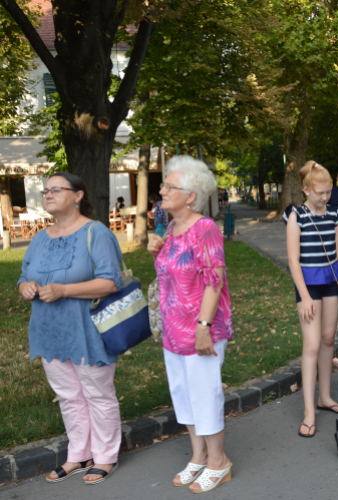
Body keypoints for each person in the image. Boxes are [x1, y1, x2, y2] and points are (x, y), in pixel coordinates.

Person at [18, 172, 123, 485]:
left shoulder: (96, 233)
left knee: (97, 394)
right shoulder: (39, 237)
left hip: (87, 329)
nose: (48, 194)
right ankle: (79, 453)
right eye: (45, 190)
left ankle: (106, 456)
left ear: (78, 196)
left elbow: (111, 281)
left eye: (56, 189)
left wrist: (63, 289)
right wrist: (25, 287)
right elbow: (24, 276)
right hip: (48, 331)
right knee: (68, 395)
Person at [147, 156, 234, 493]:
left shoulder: (205, 228)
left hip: (202, 328)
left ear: (191, 196)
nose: (162, 189)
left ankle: (219, 461)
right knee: (183, 395)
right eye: (164, 184)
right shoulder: (171, 227)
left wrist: (202, 326)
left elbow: (214, 280)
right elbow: (173, 275)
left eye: (170, 186)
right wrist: (156, 250)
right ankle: (198, 456)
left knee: (203, 393)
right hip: (173, 329)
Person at [284, 161, 338, 438]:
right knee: (312, 344)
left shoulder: (334, 214)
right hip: (308, 286)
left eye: (328, 191)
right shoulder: (296, 216)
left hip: (331, 280)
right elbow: (293, 262)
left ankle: (325, 397)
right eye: (319, 192)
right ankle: (309, 411)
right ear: (306, 189)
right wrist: (305, 296)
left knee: (329, 339)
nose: (325, 197)